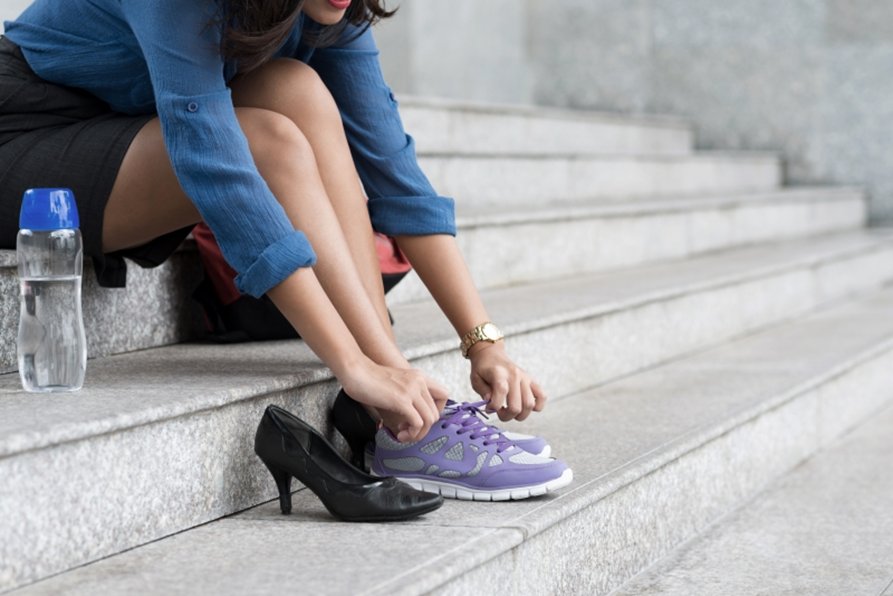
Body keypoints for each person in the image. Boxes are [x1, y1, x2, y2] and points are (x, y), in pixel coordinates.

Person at [0, 0, 572, 506]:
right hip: (25, 135)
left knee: (295, 86)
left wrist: (484, 343)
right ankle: (400, 411)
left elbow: (396, 178)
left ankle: (398, 399)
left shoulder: (331, 5)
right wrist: (352, 367)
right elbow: (220, 171)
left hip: (122, 124)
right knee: (268, 140)